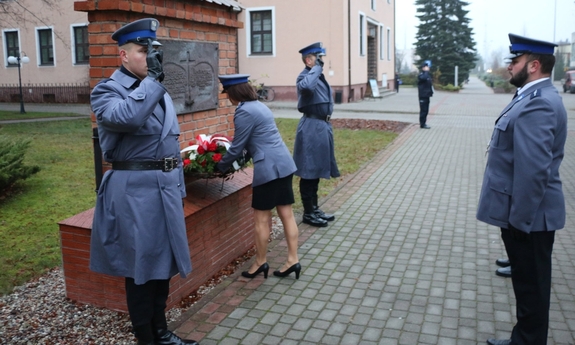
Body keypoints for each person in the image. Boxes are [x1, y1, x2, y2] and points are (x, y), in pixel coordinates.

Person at [89, 18, 197, 345]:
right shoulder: (107, 90)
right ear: (123, 55)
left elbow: (169, 144)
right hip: (134, 191)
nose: (150, 57)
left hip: (163, 189)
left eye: (153, 51)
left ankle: (161, 332)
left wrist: (177, 187)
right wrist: (153, 81)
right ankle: (145, 338)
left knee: (161, 265)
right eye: (142, 51)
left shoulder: (154, 87)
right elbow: (127, 117)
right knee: (140, 270)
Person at [477, 33, 567, 345]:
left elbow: (533, 172)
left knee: (532, 287)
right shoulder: (530, 96)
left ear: (534, 65)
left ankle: (527, 341)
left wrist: (520, 221)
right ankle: (525, 338)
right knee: (529, 284)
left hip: (529, 218)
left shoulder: (538, 103)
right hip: (528, 215)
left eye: (514, 61)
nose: (509, 67)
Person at [216, 74, 302, 279]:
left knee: (261, 220)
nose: (227, 98)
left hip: (269, 170)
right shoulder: (260, 106)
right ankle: (293, 260)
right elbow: (253, 141)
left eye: (227, 93)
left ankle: (260, 262)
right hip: (283, 164)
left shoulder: (244, 111)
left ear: (234, 93)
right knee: (287, 215)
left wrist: (221, 166)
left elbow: (238, 145)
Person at [294, 42, 340, 227]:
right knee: (308, 170)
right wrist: (315, 69)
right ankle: (308, 212)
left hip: (322, 125)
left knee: (318, 168)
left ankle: (314, 207)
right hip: (312, 126)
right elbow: (306, 88)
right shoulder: (304, 76)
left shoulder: (316, 76)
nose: (321, 63)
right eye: (317, 59)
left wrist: (317, 69)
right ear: (308, 60)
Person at [417, 62, 433, 129]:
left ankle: (424, 123)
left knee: (426, 110)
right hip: (422, 96)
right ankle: (422, 124)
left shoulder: (427, 75)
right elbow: (423, 78)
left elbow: (429, 85)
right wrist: (425, 71)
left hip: (427, 95)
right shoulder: (421, 75)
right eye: (426, 67)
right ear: (423, 68)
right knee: (423, 110)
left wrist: (431, 92)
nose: (428, 68)